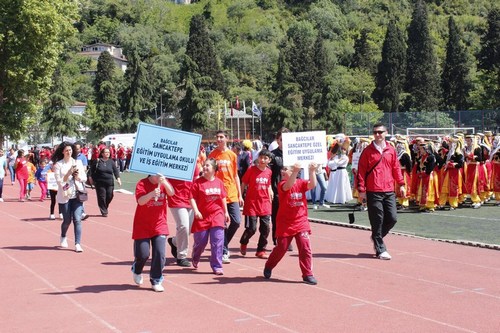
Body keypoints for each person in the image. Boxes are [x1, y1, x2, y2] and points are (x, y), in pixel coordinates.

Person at [263, 162, 318, 285]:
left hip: (301, 221)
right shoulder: (282, 184)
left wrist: (312, 171)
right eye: (282, 169)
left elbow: (312, 184)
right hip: (285, 223)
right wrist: (294, 171)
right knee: (282, 247)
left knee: (305, 247)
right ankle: (269, 266)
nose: (282, 171)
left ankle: (307, 274)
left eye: (286, 169)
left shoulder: (301, 182)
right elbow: (288, 186)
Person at [357, 123, 405, 260]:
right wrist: (361, 189)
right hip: (373, 190)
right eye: (375, 132)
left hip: (389, 190)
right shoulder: (367, 151)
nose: (378, 135)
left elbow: (396, 168)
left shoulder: (391, 150)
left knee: (392, 218)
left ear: (386, 133)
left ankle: (376, 236)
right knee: (377, 219)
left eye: (380, 132)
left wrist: (401, 184)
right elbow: (361, 172)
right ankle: (380, 248)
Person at [131, 173, 175, 292]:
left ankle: (156, 279)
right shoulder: (142, 183)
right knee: (143, 254)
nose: (159, 177)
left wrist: (164, 182)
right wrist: (151, 194)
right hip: (142, 225)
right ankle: (137, 269)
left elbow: (171, 192)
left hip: (159, 224)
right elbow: (140, 201)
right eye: (157, 175)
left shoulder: (164, 183)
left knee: (160, 253)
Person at [208, 130, 243, 264]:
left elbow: (235, 176)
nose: (219, 139)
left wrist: (240, 195)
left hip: (232, 193)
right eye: (217, 137)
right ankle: (223, 251)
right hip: (217, 194)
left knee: (236, 221)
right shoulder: (212, 154)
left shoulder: (232, 155)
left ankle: (224, 242)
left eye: (221, 137)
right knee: (221, 224)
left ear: (227, 139)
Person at [190, 158, 230, 275]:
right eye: (204, 165)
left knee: (217, 241)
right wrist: (196, 210)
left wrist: (226, 212)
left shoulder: (219, 182)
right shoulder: (198, 183)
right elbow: (191, 197)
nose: (205, 167)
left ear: (214, 169)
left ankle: (217, 265)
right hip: (202, 216)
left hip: (217, 215)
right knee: (201, 242)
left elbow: (223, 197)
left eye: (208, 166)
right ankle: (196, 255)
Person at [52, 142, 87, 253]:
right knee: (67, 220)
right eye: (67, 150)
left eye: (70, 150)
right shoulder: (58, 165)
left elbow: (83, 178)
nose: (69, 152)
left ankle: (77, 244)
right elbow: (59, 181)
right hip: (65, 195)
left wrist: (77, 176)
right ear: (62, 151)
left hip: (77, 195)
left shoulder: (78, 162)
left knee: (77, 219)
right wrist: (68, 173)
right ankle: (63, 236)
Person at [239, 149, 273, 259]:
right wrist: (240, 196)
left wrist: (270, 190)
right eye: (261, 157)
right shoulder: (251, 170)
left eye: (265, 158)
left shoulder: (269, 171)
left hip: (265, 203)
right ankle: (244, 242)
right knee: (251, 228)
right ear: (258, 158)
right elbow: (244, 182)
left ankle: (261, 250)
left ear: (269, 160)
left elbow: (268, 184)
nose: (262, 160)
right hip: (252, 203)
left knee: (265, 228)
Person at [167, 163, 200, 267]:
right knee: (184, 226)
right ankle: (181, 256)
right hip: (176, 198)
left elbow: (197, 181)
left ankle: (174, 241)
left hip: (190, 199)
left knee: (188, 230)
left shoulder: (194, 163)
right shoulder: (171, 162)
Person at [88, 148, 122, 217]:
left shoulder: (111, 162)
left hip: (110, 182)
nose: (107, 153)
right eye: (106, 152)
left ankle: (104, 206)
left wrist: (118, 179)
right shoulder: (97, 161)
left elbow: (115, 171)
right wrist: (90, 178)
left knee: (110, 196)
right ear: (102, 154)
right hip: (100, 183)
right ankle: (104, 211)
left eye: (108, 152)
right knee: (102, 197)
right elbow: (91, 171)